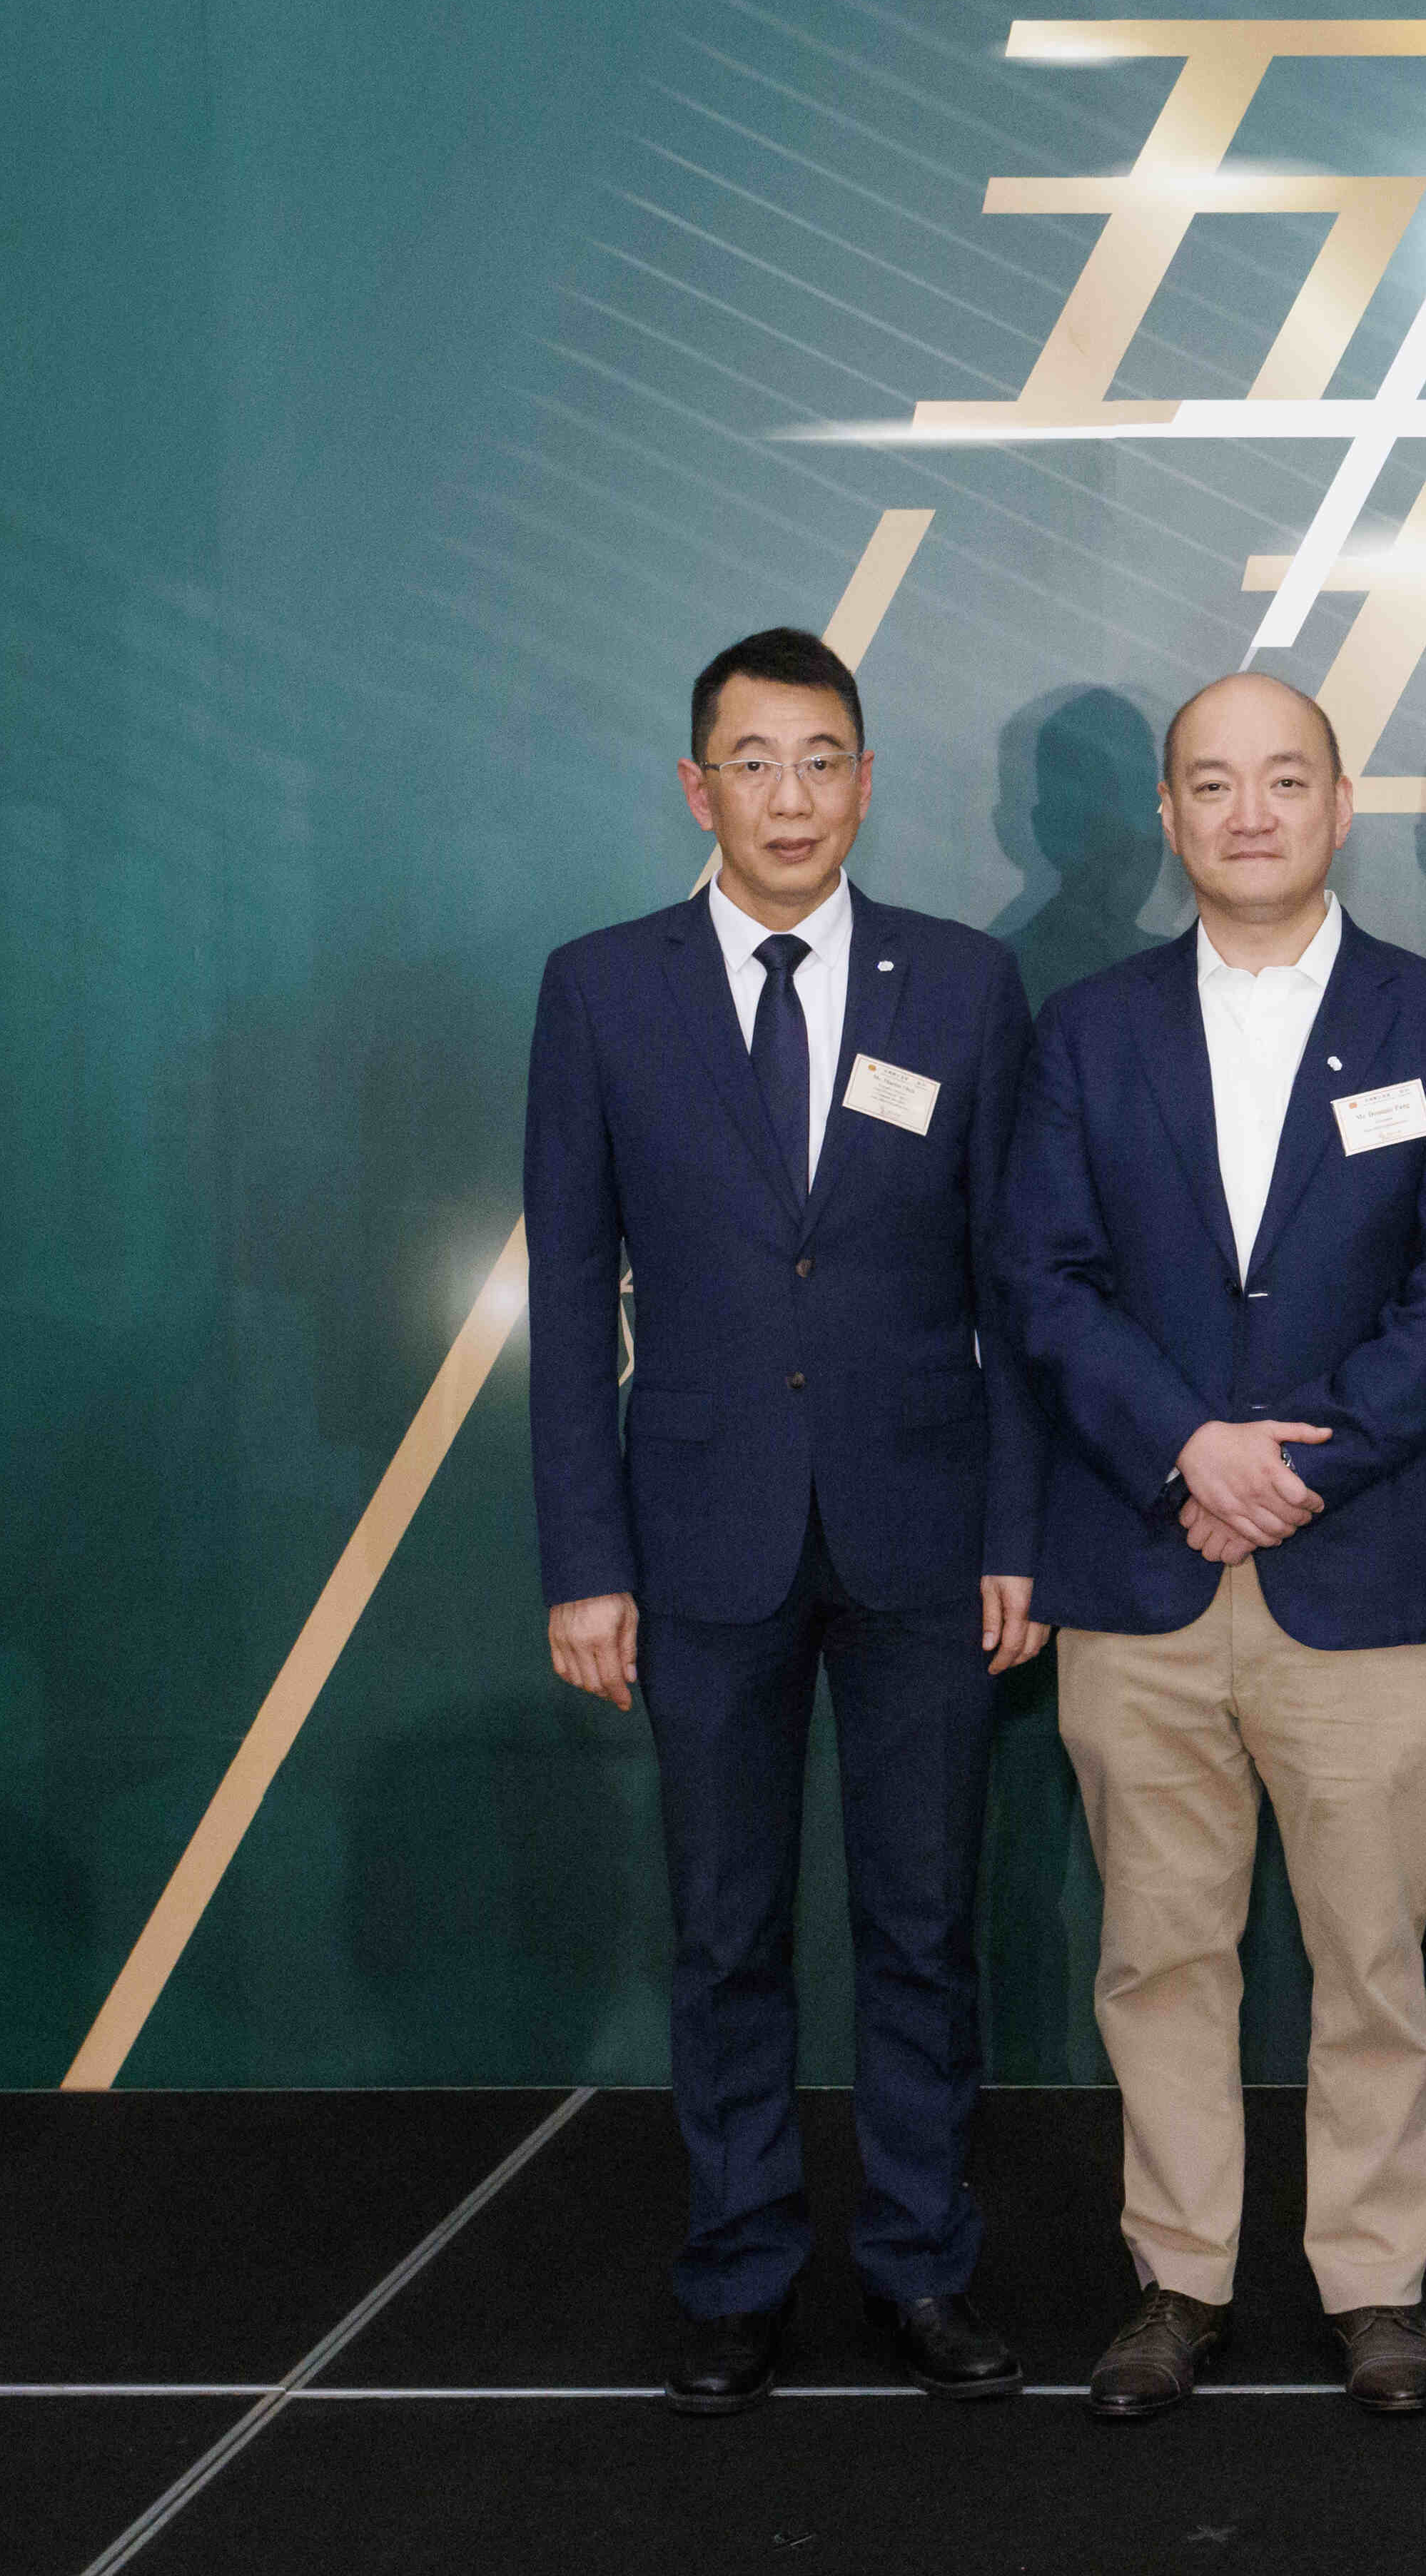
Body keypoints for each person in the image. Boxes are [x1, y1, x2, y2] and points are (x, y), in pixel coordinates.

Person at [524, 624, 1043, 2415]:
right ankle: (738, 2266)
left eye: (823, 758)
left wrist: (1020, 1529)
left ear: (868, 782)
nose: (791, 795)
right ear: (697, 787)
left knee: (922, 1925)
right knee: (727, 1926)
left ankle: (918, 2261)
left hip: (925, 1534)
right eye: (754, 761)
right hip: (698, 1541)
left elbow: (1017, 1279)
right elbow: (572, 1285)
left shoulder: (964, 985)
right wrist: (584, 1560)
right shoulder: (600, 988)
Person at [1003, 674, 1426, 2421]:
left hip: (1357, 1564)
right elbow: (1044, 1281)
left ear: (1337, 802)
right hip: (1140, 1562)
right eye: (1210, 784)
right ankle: (1180, 2277)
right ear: (1165, 819)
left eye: (1280, 780)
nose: (1247, 812)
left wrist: (1299, 1467)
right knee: (1158, 1948)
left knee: (1372, 1952)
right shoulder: (1085, 1029)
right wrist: (1185, 1447)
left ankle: (1376, 2282)